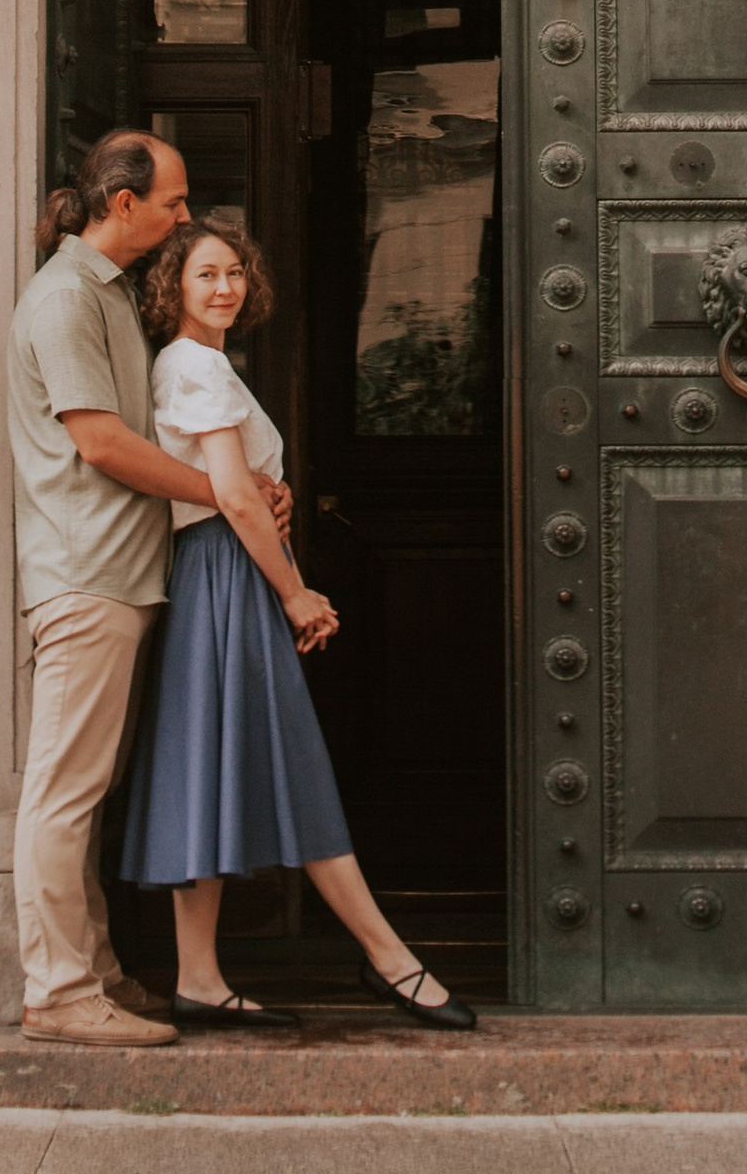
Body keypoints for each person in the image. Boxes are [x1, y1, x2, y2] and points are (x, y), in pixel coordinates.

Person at [116, 213, 477, 1033]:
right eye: (207, 274)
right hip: (227, 575)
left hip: (220, 573)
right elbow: (233, 496)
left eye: (235, 272)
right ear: (173, 286)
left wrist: (267, 505)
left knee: (210, 763)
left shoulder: (192, 364)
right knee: (294, 765)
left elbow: (241, 489)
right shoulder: (197, 366)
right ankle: (390, 959)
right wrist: (294, 592)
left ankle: (199, 976)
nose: (225, 287)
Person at [6, 126, 229, 1048]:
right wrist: (225, 492)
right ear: (124, 202)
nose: (185, 217)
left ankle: (92, 973)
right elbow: (100, 442)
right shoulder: (66, 299)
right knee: (64, 792)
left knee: (83, 790)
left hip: (115, 576)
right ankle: (57, 992)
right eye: (174, 203)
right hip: (86, 575)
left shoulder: (103, 293)